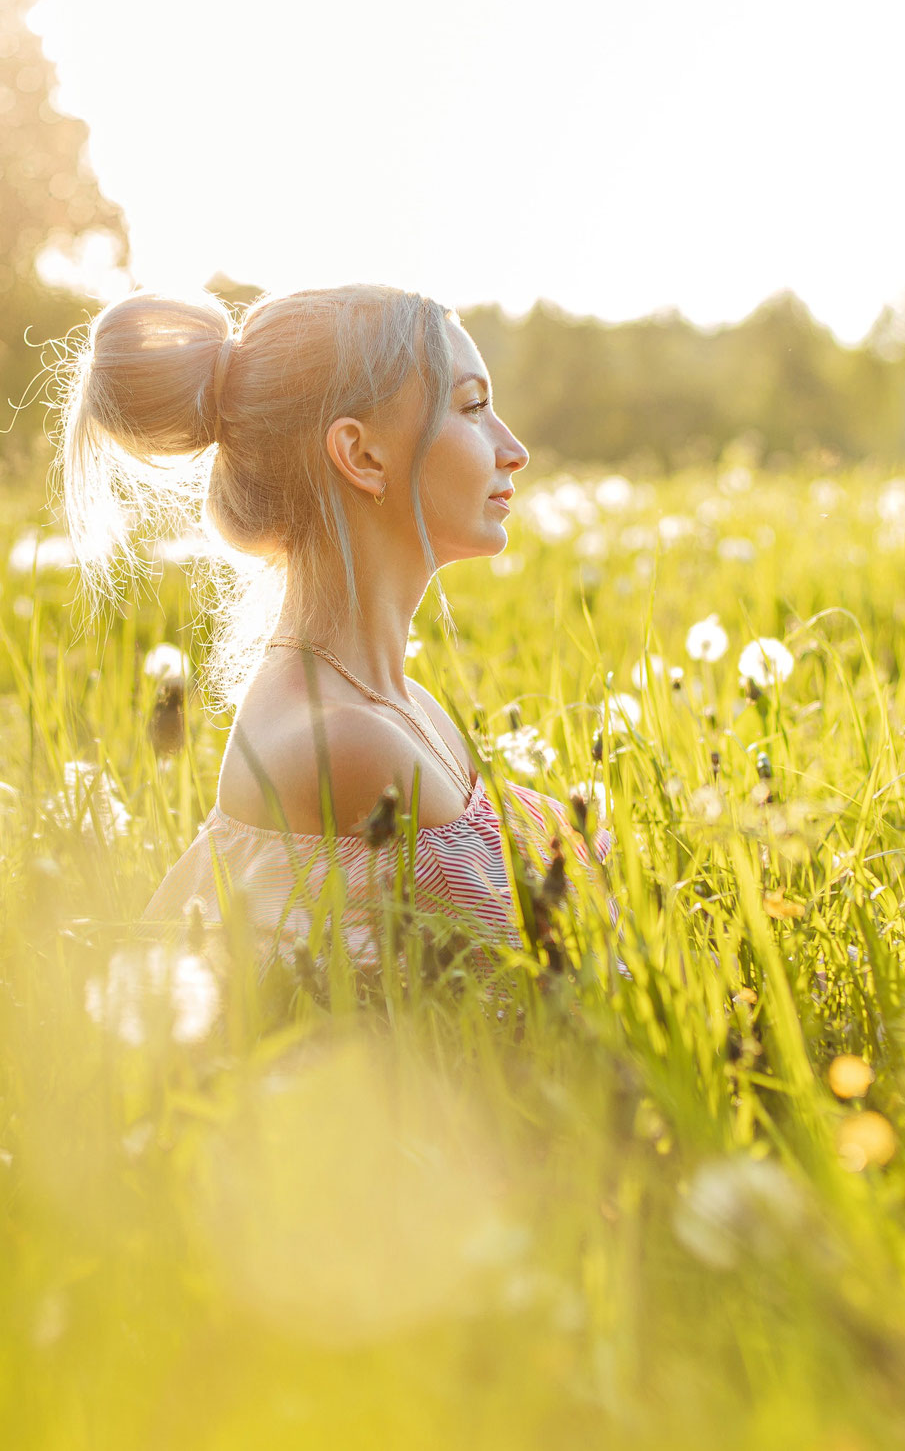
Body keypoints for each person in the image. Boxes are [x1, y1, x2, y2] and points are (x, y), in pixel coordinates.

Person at [59, 283, 610, 968]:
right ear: (362, 456)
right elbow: (554, 993)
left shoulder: (398, 708)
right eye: (472, 408)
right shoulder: (346, 739)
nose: (514, 448)